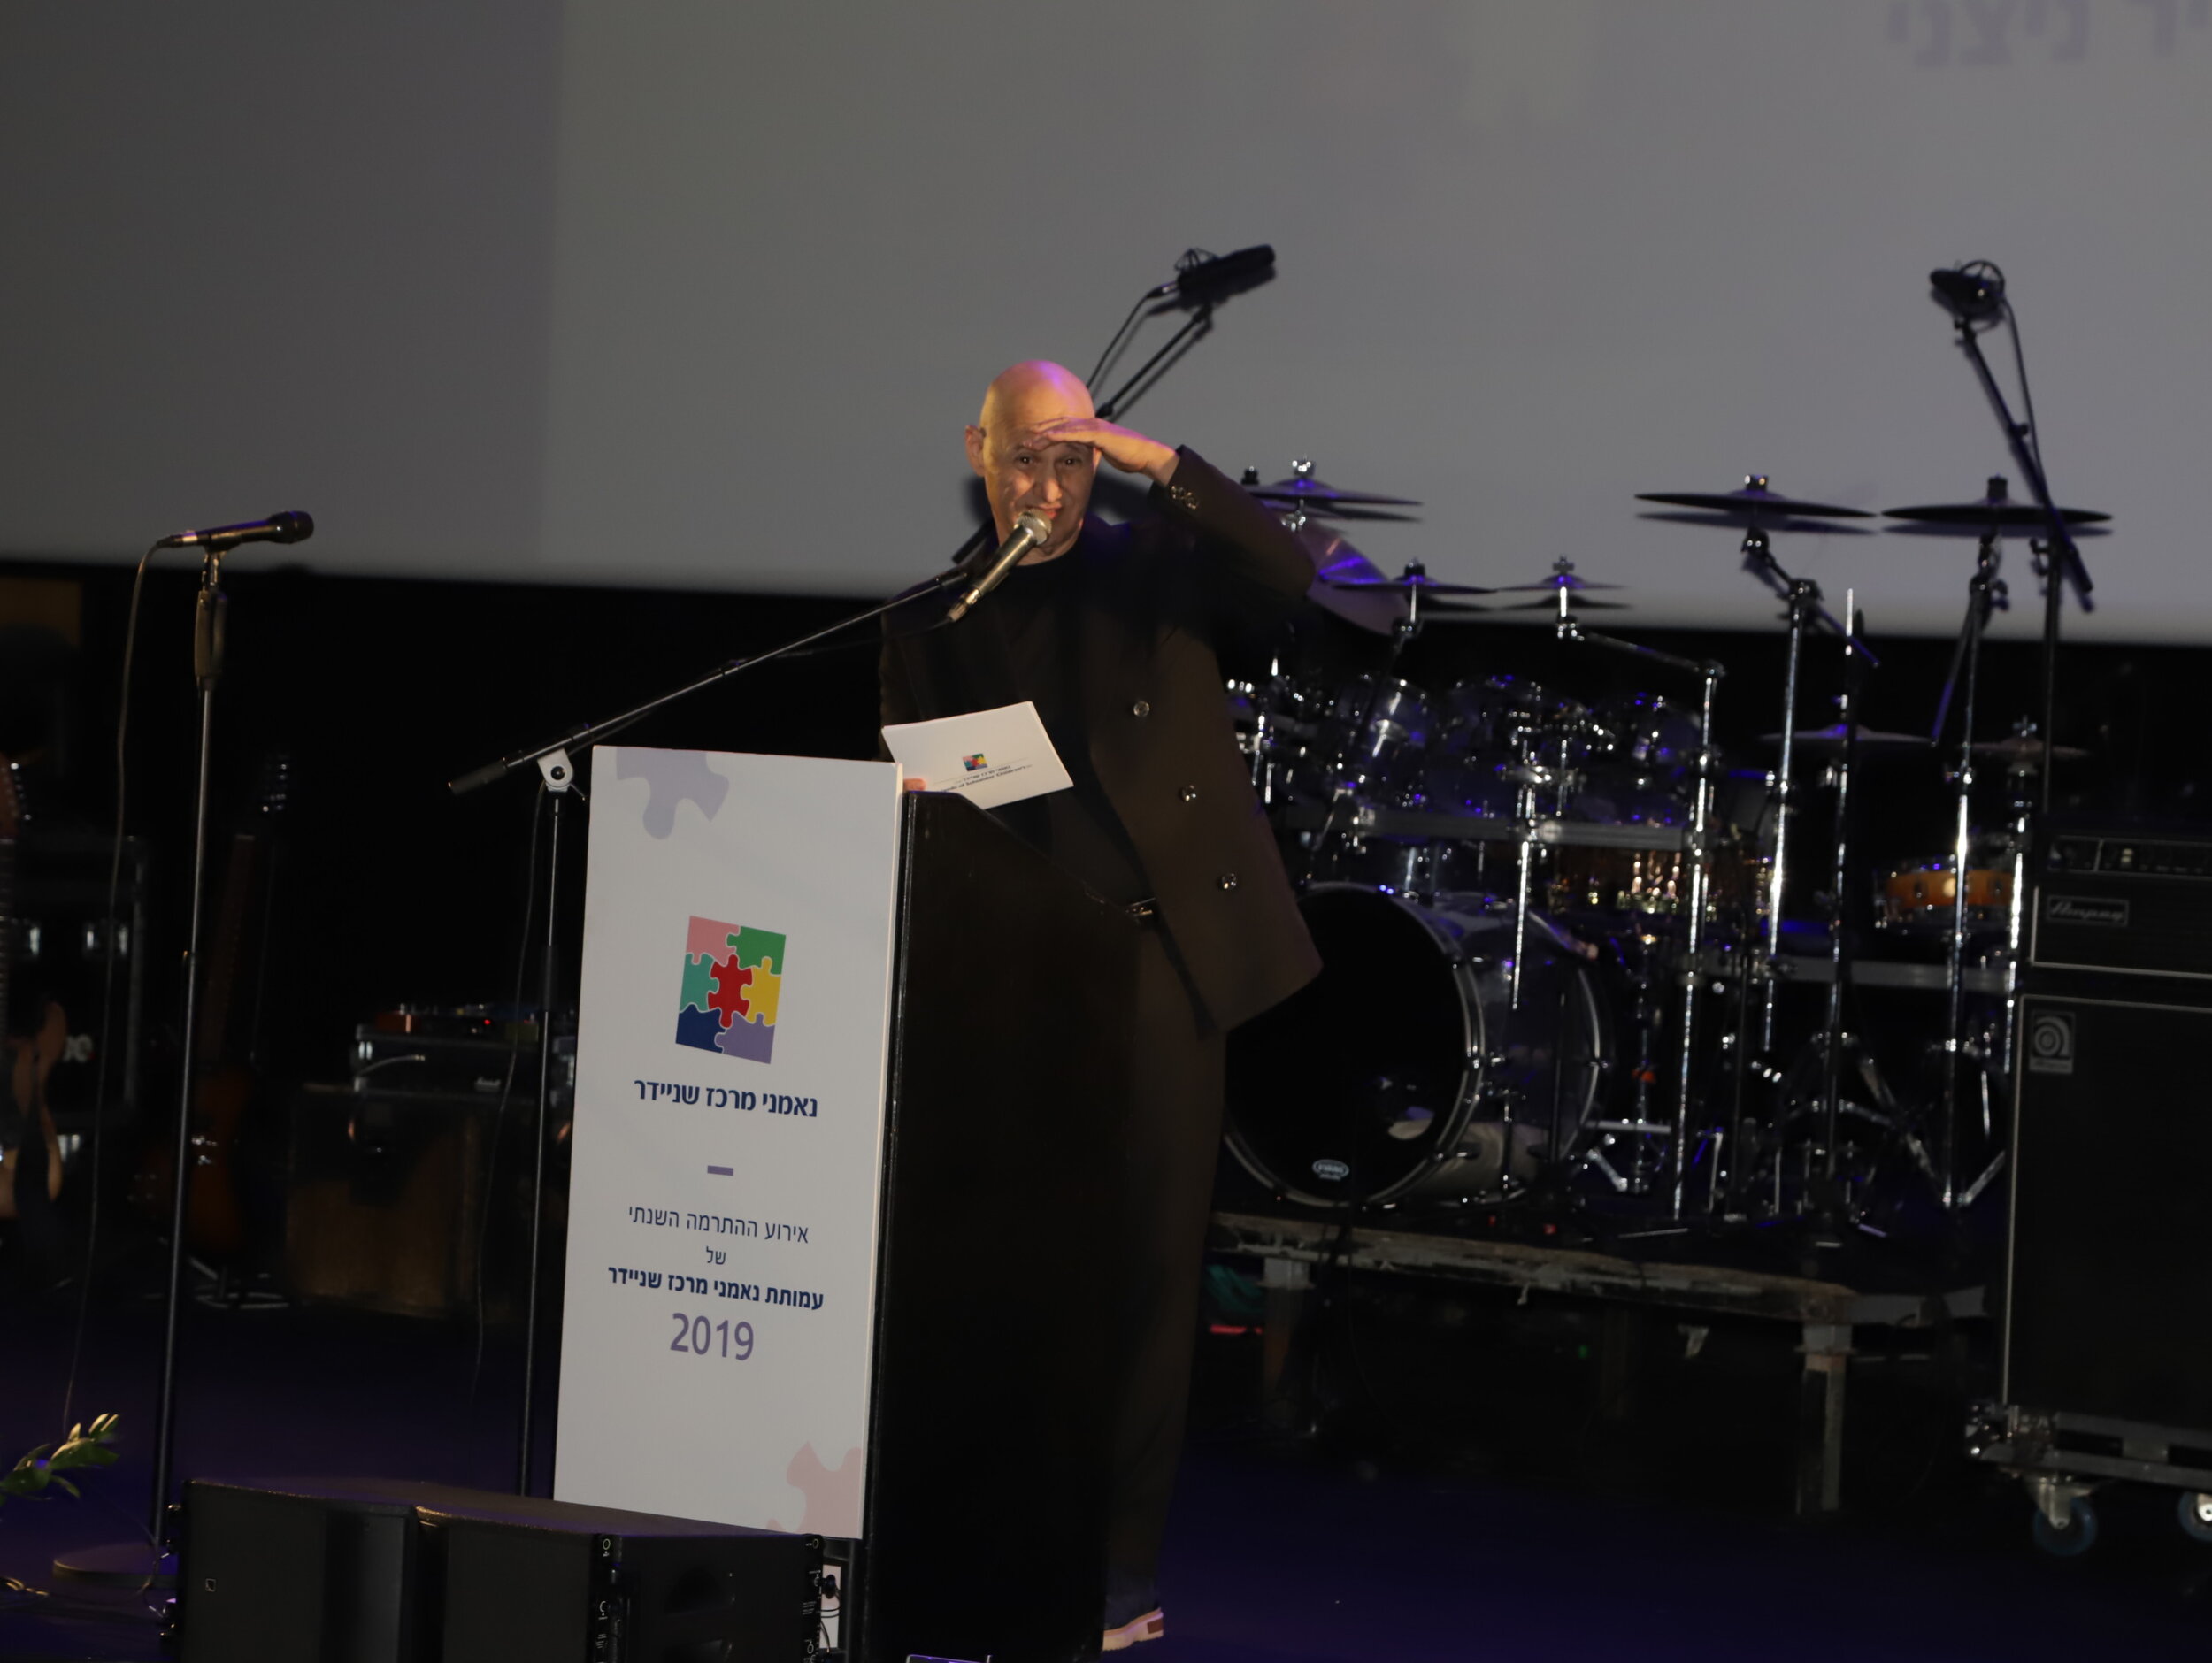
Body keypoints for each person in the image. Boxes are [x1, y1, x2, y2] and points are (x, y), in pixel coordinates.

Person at [879, 360, 1321, 1652]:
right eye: (1028, 456)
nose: (1050, 487)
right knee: (1005, 1272)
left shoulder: (1155, 568)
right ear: (978, 451)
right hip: (1007, 978)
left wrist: (1158, 464)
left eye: (1071, 461)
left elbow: (1298, 577)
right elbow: (921, 809)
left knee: (1145, 1280)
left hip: (1158, 967)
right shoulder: (928, 620)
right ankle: (996, 1545)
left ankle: (1118, 1565)